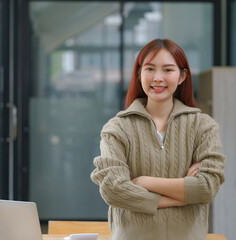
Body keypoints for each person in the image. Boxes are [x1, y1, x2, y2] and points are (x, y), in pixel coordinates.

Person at [90, 39, 226, 240]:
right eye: (150, 69)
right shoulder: (116, 128)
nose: (158, 78)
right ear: (139, 74)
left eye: (168, 70)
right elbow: (113, 190)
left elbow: (207, 187)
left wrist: (143, 181)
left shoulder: (203, 126)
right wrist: (182, 196)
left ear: (182, 76)